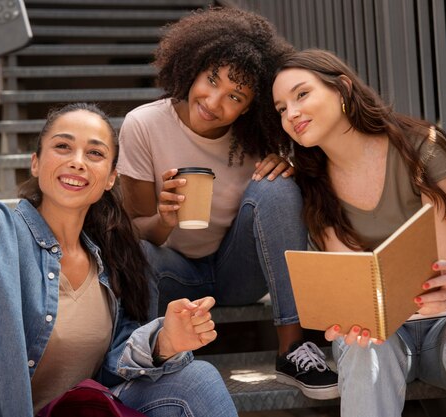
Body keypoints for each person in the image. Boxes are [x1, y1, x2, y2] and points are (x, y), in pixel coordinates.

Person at [0, 15, 239, 417]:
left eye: (94, 153)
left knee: (198, 378)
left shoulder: (116, 259)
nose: (77, 162)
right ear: (35, 163)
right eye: (62, 146)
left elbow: (114, 365)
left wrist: (164, 342)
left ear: (111, 178)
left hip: (79, 409)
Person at [271, 48, 446, 416]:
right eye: (280, 109)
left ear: (341, 90)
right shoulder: (310, 183)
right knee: (363, 346)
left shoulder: (421, 146)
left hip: (443, 325)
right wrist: (350, 313)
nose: (291, 114)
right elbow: (349, 279)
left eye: (301, 94)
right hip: (374, 336)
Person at [116, 7, 339, 400]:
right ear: (195, 66)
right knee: (141, 253)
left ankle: (291, 347)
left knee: (277, 187)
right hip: (174, 271)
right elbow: (135, 228)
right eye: (212, 80)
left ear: (251, 106)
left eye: (235, 96)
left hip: (239, 272)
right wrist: (165, 218)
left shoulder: (262, 137)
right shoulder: (143, 125)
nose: (213, 102)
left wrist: (290, 167)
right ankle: (143, 363)